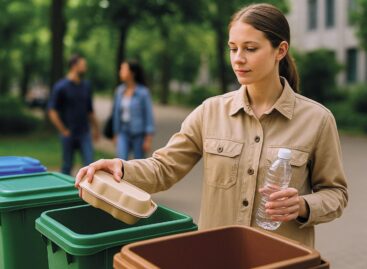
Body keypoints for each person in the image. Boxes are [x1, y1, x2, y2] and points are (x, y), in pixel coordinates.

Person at [75, 4, 348, 247]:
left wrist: (302, 205)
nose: (238, 58)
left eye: (250, 49)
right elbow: (164, 168)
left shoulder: (317, 120)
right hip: (218, 255)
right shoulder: (210, 111)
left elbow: (336, 194)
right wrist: (121, 167)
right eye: (233, 48)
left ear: (281, 50)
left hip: (283, 259)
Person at [48, 54, 99, 175]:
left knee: (90, 165)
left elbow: (90, 111)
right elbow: (52, 111)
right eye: (83, 64)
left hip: (84, 133)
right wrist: (63, 130)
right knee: (67, 166)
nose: (85, 67)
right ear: (74, 66)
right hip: (68, 134)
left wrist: (96, 128)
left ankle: (88, 193)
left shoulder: (86, 86)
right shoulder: (61, 86)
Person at [112, 60, 155, 159]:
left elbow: (148, 116)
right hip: (123, 132)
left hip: (138, 134)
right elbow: (116, 114)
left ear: (132, 73)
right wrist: (115, 133)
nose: (120, 72)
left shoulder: (143, 92)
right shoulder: (119, 91)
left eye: (123, 69)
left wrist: (148, 139)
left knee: (139, 165)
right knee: (121, 161)